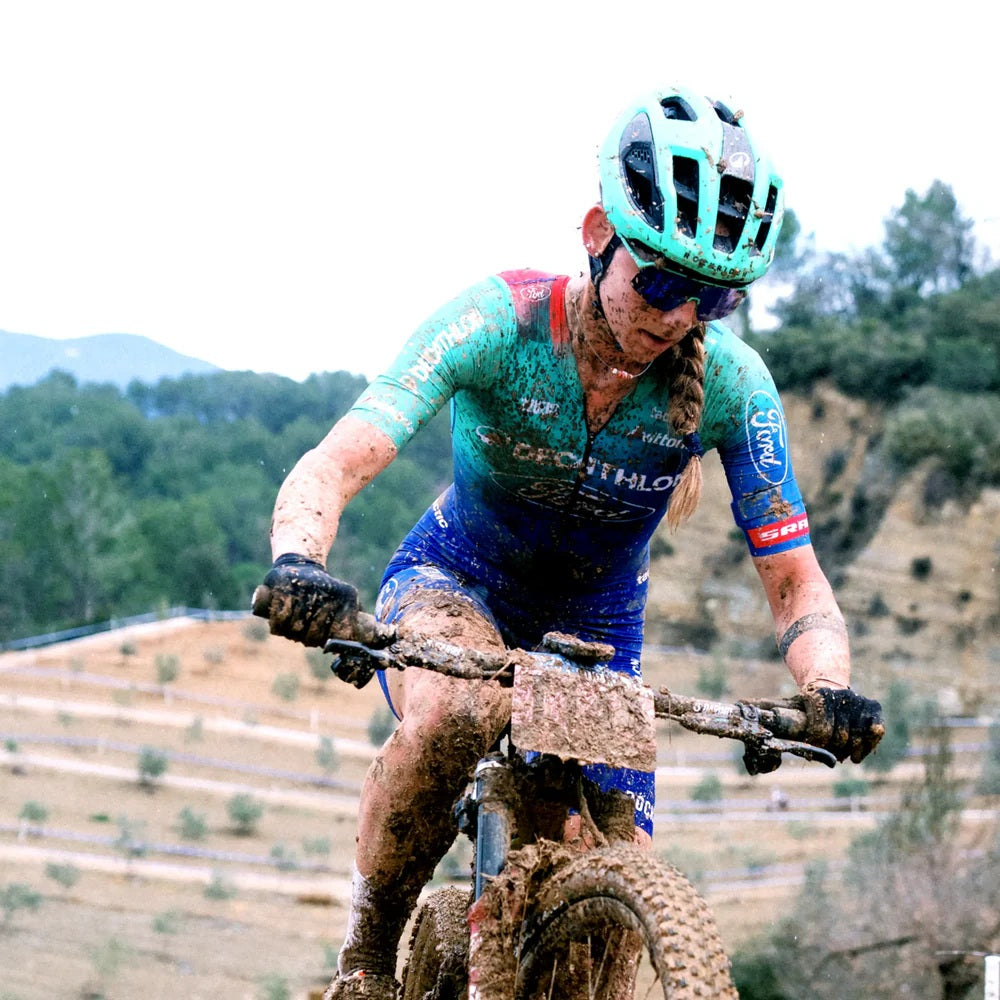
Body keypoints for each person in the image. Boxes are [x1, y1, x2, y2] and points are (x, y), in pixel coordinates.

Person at [260, 86, 884, 999]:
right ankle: (365, 956)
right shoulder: (500, 323)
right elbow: (339, 460)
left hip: (597, 623)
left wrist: (828, 687)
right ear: (598, 234)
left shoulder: (735, 386)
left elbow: (793, 579)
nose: (679, 315)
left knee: (620, 883)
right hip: (454, 579)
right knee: (455, 718)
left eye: (713, 297)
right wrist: (299, 563)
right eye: (661, 282)